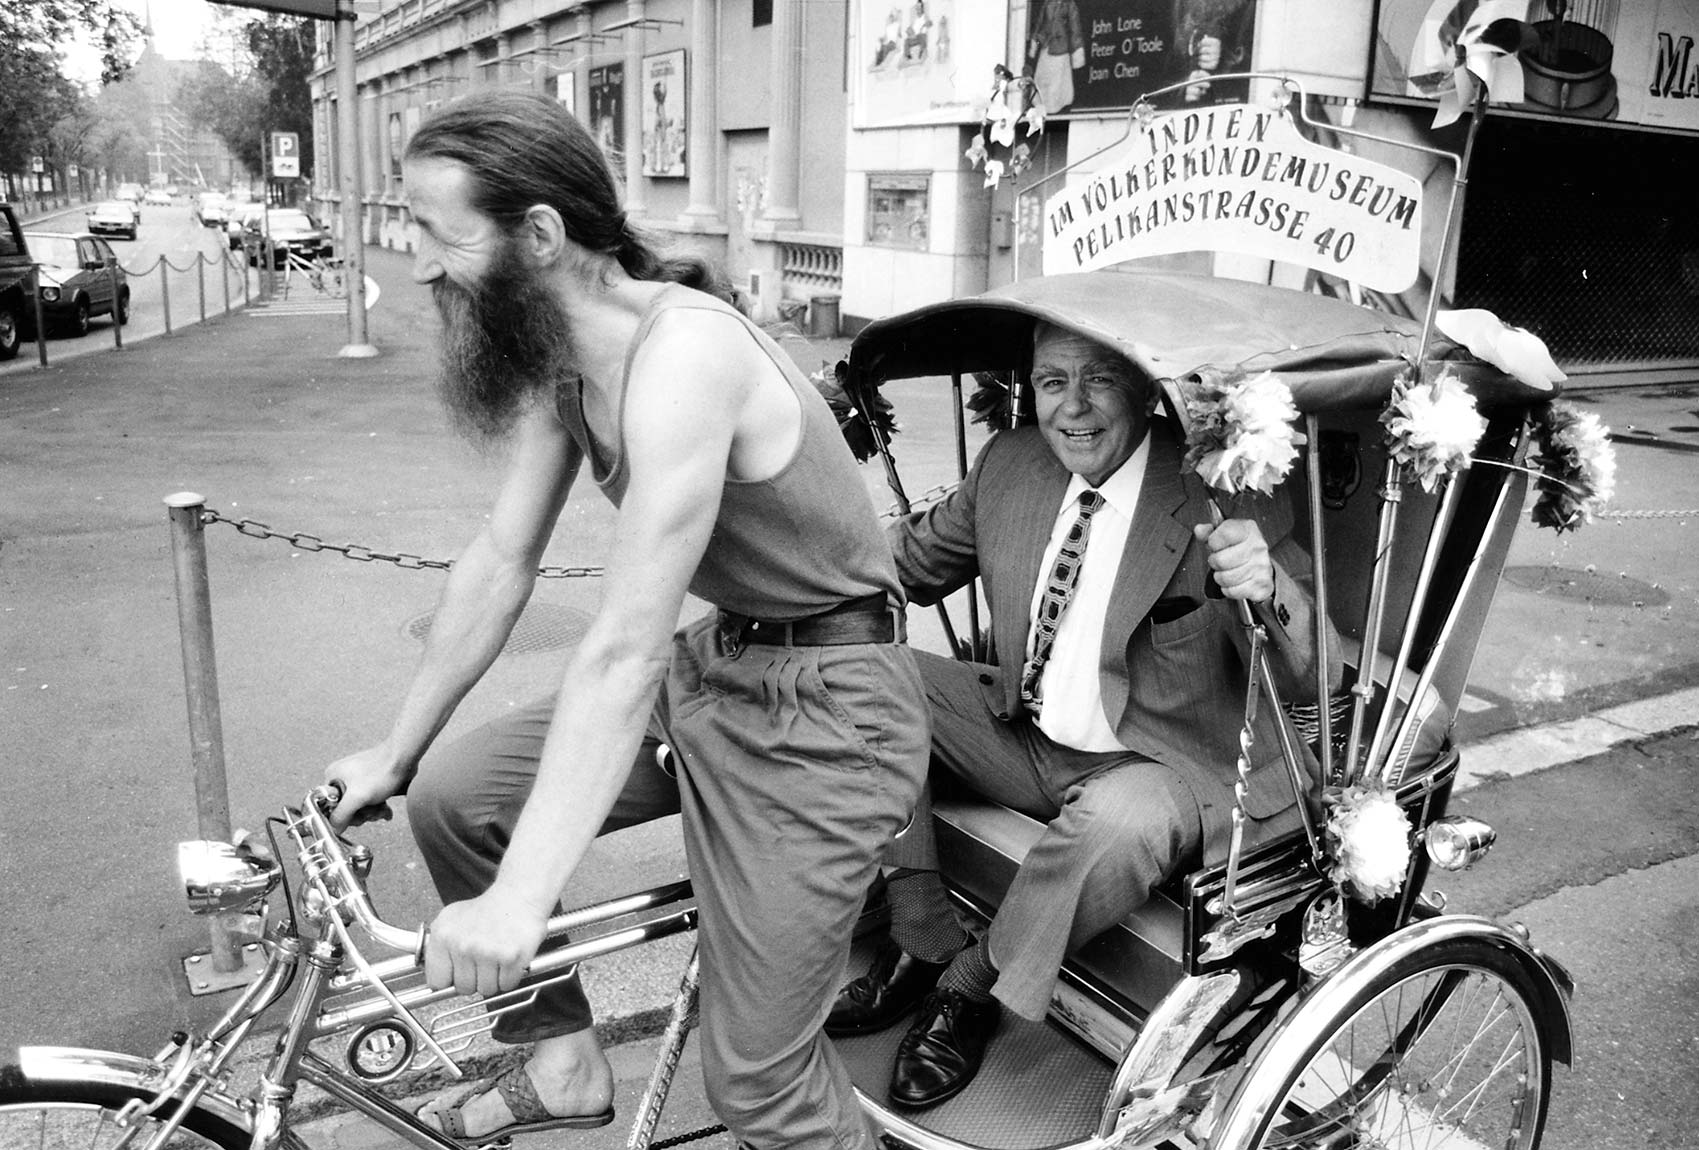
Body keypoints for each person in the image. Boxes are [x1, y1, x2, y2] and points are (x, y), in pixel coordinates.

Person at [324, 88, 929, 1150]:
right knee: (458, 799)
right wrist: (398, 747)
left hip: (831, 713)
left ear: (540, 236)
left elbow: (621, 646)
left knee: (759, 1087)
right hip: (723, 672)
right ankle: (561, 1064)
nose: (416, 261)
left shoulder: (684, 356)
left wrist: (523, 901)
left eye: (436, 231)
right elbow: (499, 560)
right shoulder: (570, 368)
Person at [825, 320, 1340, 1108]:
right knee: (862, 676)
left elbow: (1315, 678)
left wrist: (1267, 587)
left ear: (1141, 387)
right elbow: (902, 567)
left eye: (1098, 379)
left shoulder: (1219, 484)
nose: (1073, 407)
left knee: (1114, 822)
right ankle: (920, 934)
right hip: (1024, 731)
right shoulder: (1013, 461)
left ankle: (964, 989)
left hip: (1166, 764)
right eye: (1051, 381)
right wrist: (782, 570)